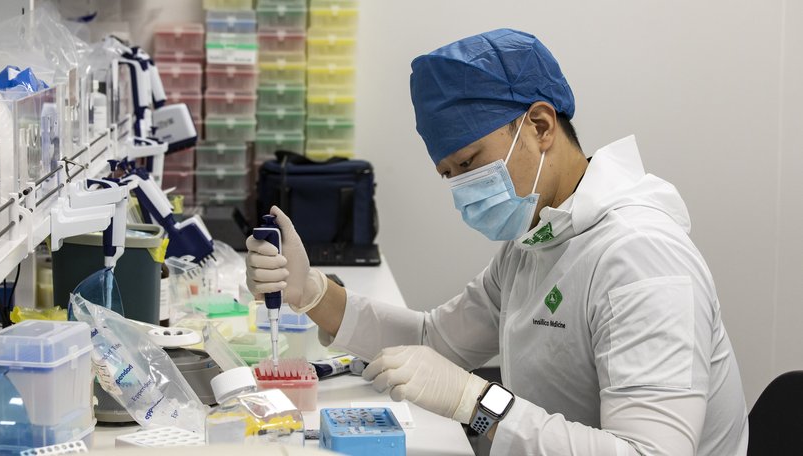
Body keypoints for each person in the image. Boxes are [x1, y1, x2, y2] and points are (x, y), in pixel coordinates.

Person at [246, 28, 748, 455]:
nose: (462, 188)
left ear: (540, 125)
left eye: (468, 164)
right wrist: (310, 292)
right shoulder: (538, 238)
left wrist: (475, 403)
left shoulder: (639, 256)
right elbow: (433, 344)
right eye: (449, 175)